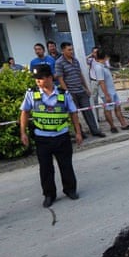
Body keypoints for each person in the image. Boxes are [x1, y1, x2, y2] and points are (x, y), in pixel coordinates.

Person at [20, 64, 83, 208]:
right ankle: (49, 195)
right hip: (42, 138)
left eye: (40, 79)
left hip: (62, 136)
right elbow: (24, 112)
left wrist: (78, 132)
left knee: (66, 165)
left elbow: (73, 113)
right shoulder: (31, 94)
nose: (38, 82)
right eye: (36, 79)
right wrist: (23, 132)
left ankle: (70, 190)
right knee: (45, 168)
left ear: (49, 78)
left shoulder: (63, 94)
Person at [54, 42, 104, 139]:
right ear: (63, 50)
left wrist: (86, 88)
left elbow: (80, 74)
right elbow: (60, 79)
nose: (71, 51)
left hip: (81, 90)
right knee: (74, 114)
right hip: (71, 92)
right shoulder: (59, 62)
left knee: (88, 111)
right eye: (69, 50)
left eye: (71, 49)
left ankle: (95, 130)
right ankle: (79, 132)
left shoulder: (75, 60)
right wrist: (67, 92)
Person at [93, 50, 129, 133]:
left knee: (117, 107)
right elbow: (101, 82)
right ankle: (112, 126)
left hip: (112, 91)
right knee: (108, 110)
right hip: (106, 93)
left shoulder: (104, 66)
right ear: (105, 57)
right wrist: (106, 95)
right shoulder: (98, 67)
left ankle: (123, 124)